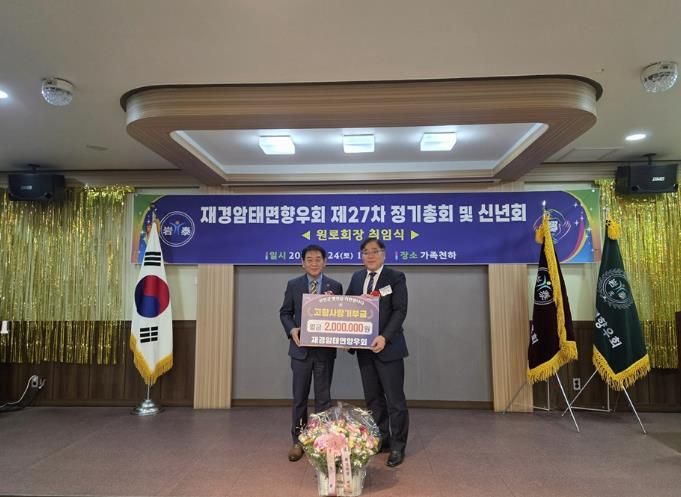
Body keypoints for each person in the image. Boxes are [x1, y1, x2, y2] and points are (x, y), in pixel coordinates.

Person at [346, 237, 409, 467]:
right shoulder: (357, 277)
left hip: (388, 348)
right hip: (365, 350)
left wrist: (385, 337)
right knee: (373, 399)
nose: (370, 255)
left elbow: (400, 310)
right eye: (365, 252)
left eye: (374, 251)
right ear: (361, 256)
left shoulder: (395, 277)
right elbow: (348, 306)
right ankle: (382, 439)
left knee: (395, 400)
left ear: (384, 254)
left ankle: (398, 446)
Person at [279, 244, 343, 462]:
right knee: (299, 399)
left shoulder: (335, 286)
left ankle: (322, 441)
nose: (314, 263)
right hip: (300, 352)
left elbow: (341, 316)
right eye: (309, 259)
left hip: (325, 352)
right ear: (302, 263)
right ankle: (298, 441)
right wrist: (292, 329)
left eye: (318, 259)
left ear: (325, 262)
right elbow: (285, 313)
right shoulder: (293, 285)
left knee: (323, 399)